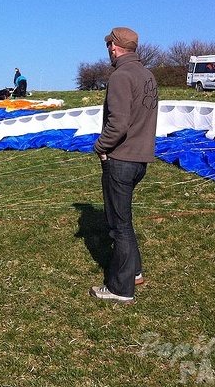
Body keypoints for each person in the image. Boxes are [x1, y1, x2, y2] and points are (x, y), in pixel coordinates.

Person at [90, 27, 158, 304]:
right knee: (124, 221)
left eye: (108, 45)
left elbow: (118, 124)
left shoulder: (120, 77)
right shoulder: (147, 75)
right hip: (140, 159)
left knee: (119, 226)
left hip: (121, 160)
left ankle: (120, 288)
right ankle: (135, 272)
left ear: (114, 48)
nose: (108, 50)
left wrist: (100, 147)